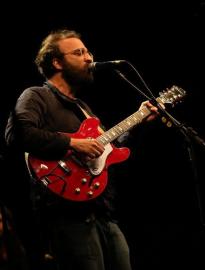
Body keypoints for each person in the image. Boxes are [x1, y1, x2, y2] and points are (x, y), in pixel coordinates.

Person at [4, 29, 160, 270]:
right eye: (79, 52)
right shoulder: (37, 96)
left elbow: (109, 151)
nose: (89, 58)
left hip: (102, 211)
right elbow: (18, 134)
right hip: (66, 215)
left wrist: (140, 120)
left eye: (88, 51)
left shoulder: (85, 109)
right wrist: (73, 143)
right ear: (57, 62)